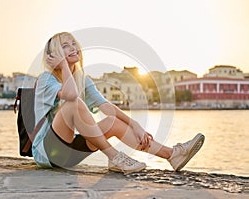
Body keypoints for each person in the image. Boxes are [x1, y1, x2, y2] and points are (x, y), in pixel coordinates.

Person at [32, 31, 205, 174]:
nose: (73, 47)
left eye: (73, 43)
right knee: (73, 103)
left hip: (70, 153)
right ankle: (116, 157)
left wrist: (135, 124)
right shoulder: (46, 79)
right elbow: (70, 95)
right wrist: (62, 65)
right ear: (55, 55)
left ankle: (172, 155)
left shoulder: (83, 80)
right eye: (65, 46)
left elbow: (107, 107)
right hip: (47, 153)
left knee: (112, 122)